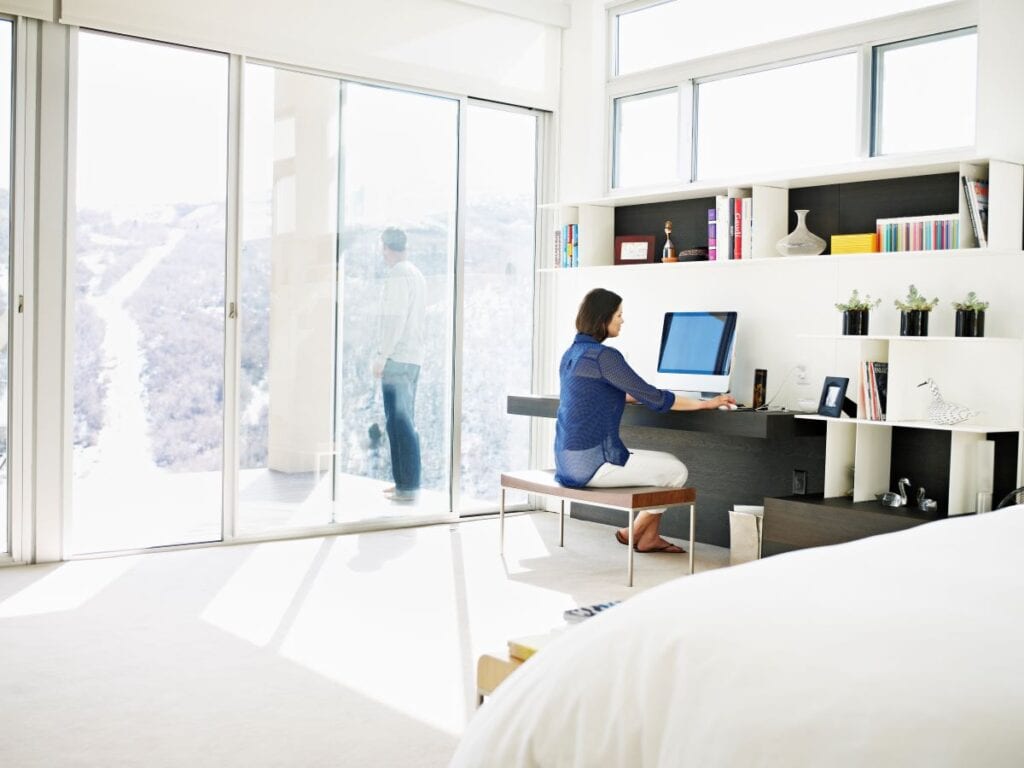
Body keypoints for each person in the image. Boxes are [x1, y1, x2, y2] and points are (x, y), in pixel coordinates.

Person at [554, 288, 735, 552]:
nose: (622, 320)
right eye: (619, 314)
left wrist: (632, 396)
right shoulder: (605, 356)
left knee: (665, 461)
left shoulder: (573, 354)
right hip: (592, 465)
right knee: (677, 472)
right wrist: (707, 403)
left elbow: (600, 394)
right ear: (603, 318)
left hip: (568, 460)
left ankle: (649, 538)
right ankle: (632, 532)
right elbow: (654, 397)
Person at [373, 226, 426, 502]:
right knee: (405, 420)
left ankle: (406, 486)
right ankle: (407, 483)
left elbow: (394, 320)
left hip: (398, 358)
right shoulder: (416, 274)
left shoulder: (397, 276)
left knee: (398, 422)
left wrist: (382, 355)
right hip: (413, 358)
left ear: (385, 247)